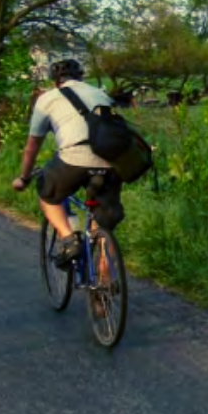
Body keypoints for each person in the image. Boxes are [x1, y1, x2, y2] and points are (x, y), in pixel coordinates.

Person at [11, 59, 124, 266]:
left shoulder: (47, 99)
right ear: (81, 76)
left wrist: (24, 177)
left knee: (47, 193)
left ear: (55, 81)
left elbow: (32, 146)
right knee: (103, 224)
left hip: (73, 160)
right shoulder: (100, 94)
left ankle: (68, 238)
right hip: (112, 162)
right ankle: (105, 282)